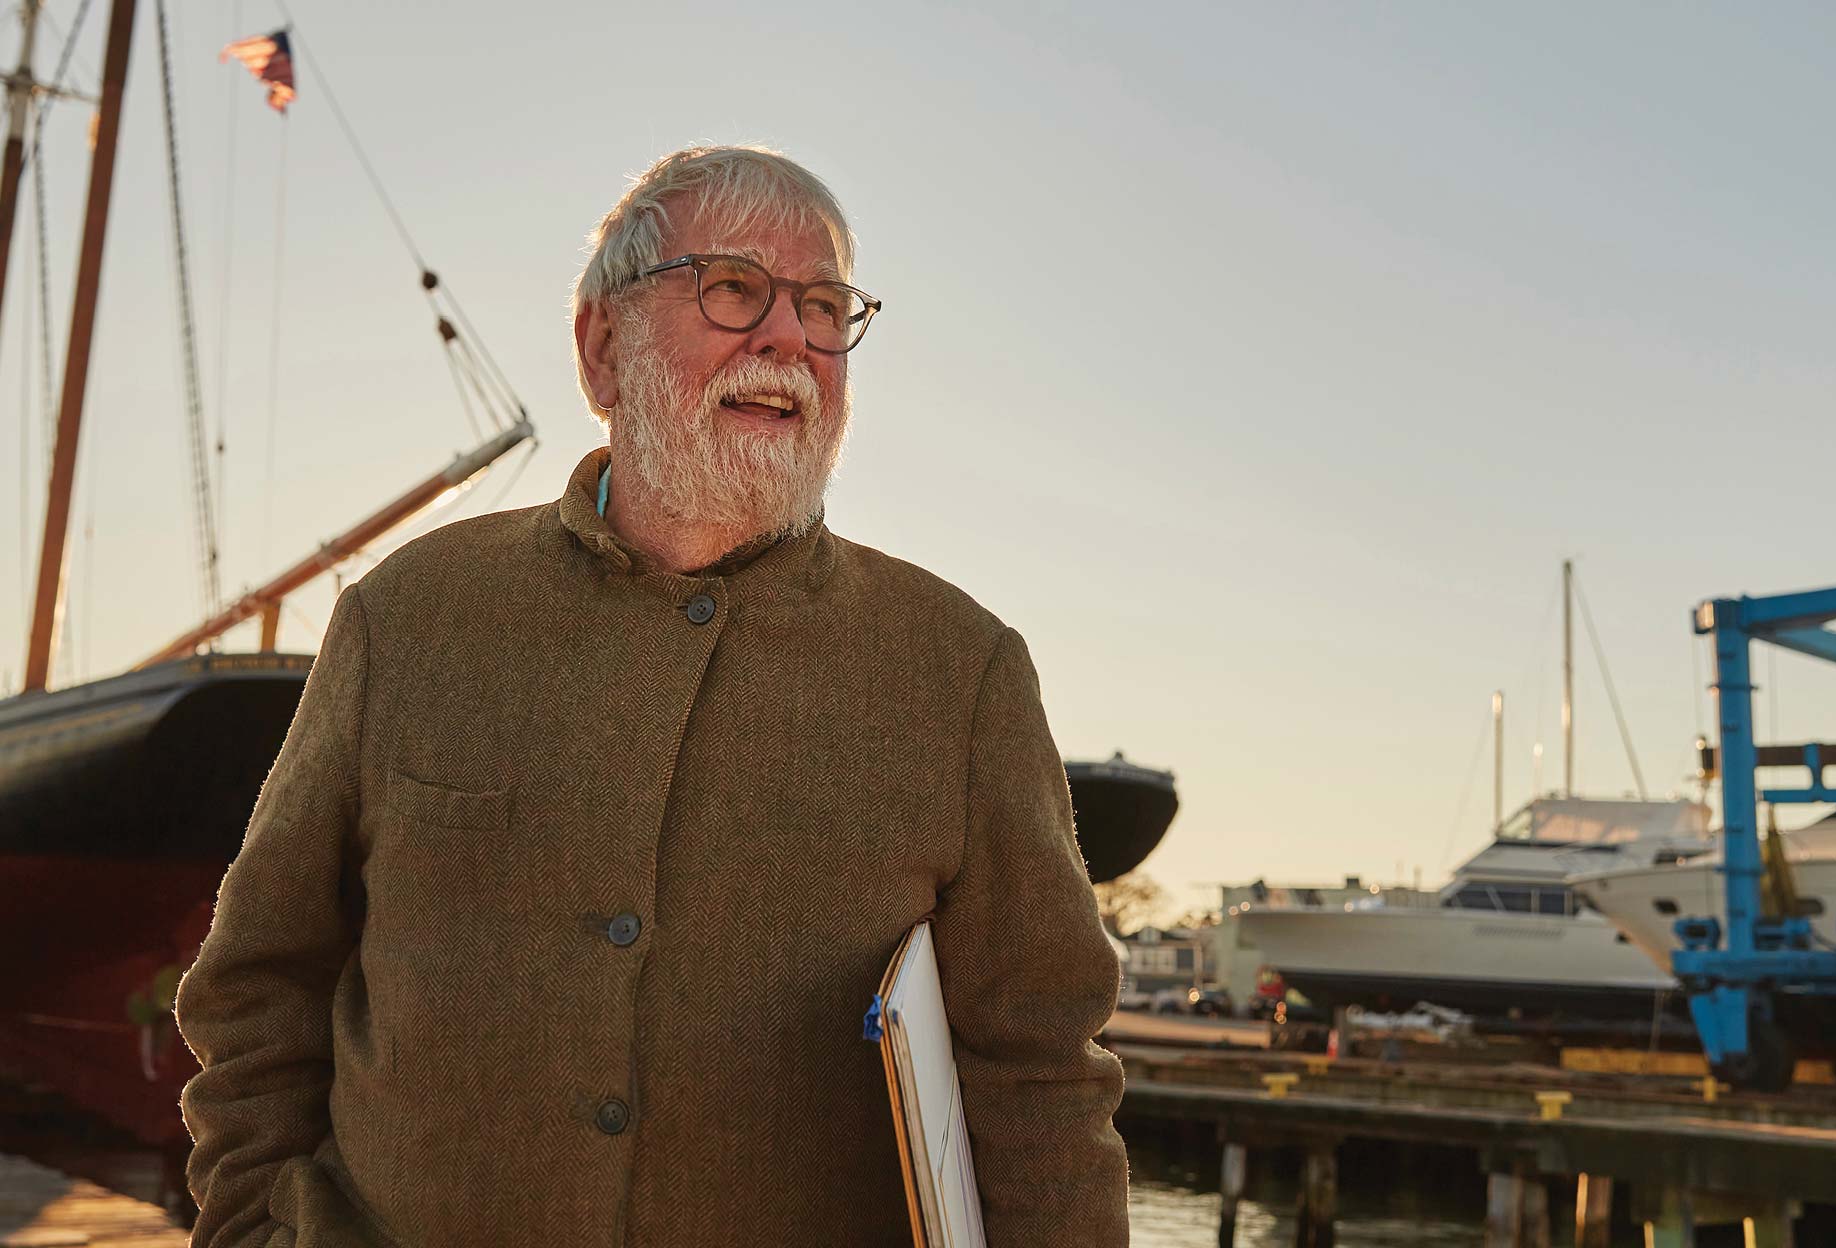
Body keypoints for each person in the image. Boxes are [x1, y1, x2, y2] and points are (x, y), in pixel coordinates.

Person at [175, 145, 1130, 1247]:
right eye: (733, 288)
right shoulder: (409, 616)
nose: (788, 337)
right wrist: (253, 1227)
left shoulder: (961, 669)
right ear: (601, 348)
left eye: (823, 307)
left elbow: (1040, 1071)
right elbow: (259, 978)